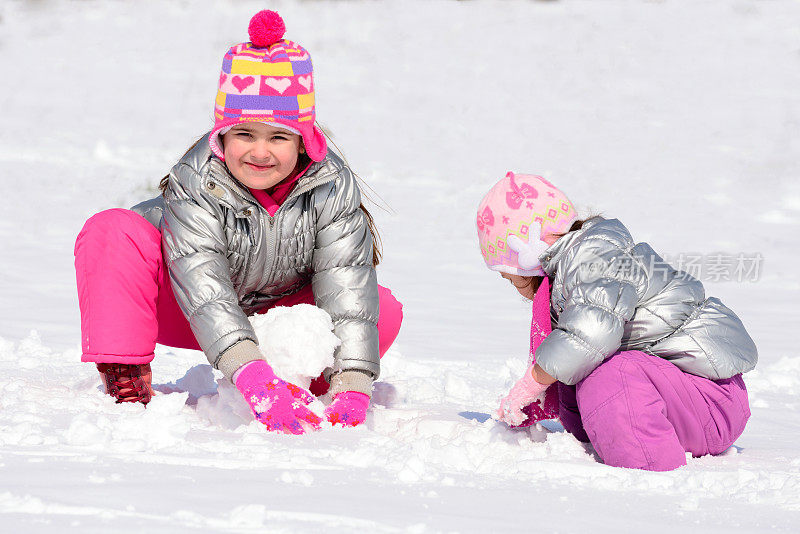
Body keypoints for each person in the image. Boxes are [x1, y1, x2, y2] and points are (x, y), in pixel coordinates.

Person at [74, 10, 402, 434]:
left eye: (278, 137)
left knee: (381, 308)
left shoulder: (331, 188)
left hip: (270, 312)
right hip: (184, 303)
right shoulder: (196, 182)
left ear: (303, 143)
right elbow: (203, 283)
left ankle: (297, 380)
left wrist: (354, 384)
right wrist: (250, 375)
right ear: (221, 137)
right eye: (244, 134)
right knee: (113, 229)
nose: (260, 152)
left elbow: (345, 281)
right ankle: (125, 369)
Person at [476, 172, 756, 470]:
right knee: (579, 376)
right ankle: (614, 443)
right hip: (686, 397)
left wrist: (534, 381)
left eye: (511, 278)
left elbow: (590, 333)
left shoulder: (595, 260)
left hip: (712, 401)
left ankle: (648, 471)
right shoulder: (579, 268)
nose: (517, 290)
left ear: (528, 251)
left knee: (609, 373)